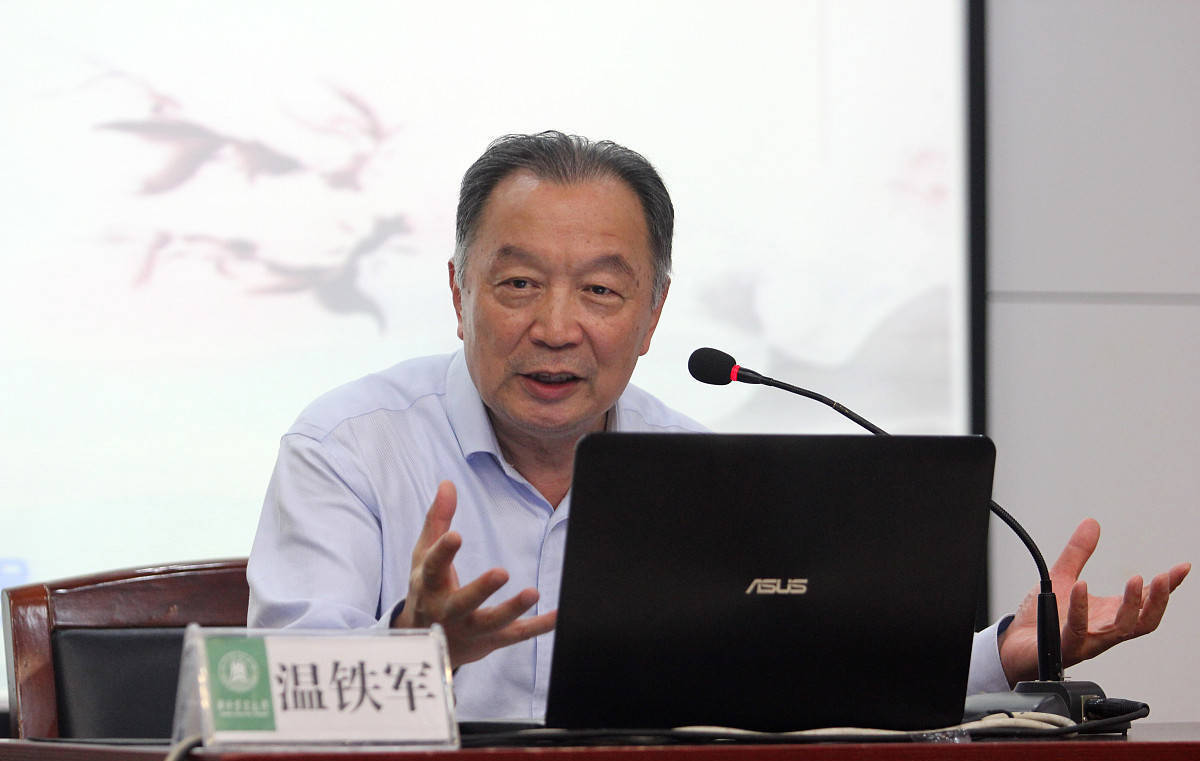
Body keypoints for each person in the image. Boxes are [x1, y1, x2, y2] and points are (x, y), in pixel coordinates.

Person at [248, 131, 1190, 721]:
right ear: (459, 293)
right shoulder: (349, 449)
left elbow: (806, 679)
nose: (557, 326)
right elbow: (272, 707)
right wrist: (417, 651)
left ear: (654, 314)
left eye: (601, 291)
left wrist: (1004, 653)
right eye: (519, 282)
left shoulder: (701, 473)